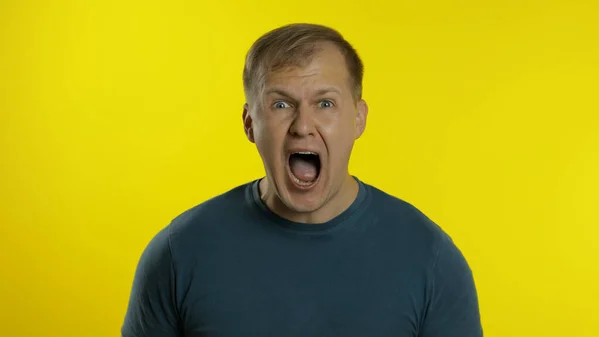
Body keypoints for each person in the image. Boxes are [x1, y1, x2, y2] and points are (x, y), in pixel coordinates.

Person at [121, 23, 483, 337]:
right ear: (250, 123)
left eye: (325, 103)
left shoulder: (431, 260)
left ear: (358, 118)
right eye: (281, 105)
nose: (303, 126)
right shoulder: (178, 255)